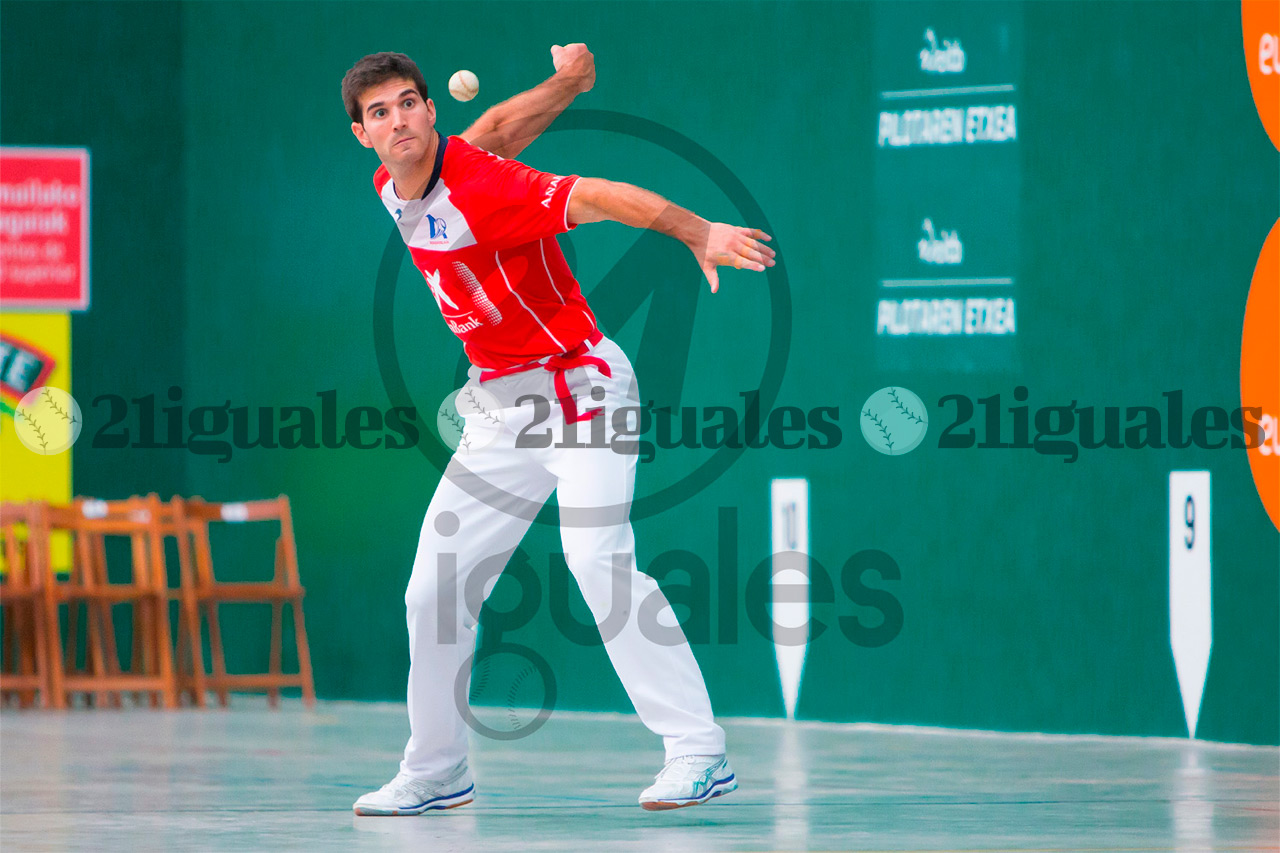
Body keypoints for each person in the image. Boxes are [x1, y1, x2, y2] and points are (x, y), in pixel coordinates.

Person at [341, 45, 774, 815]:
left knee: (596, 558)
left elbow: (602, 195)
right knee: (432, 589)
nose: (399, 119)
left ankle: (699, 750)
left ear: (430, 111)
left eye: (410, 102)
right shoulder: (394, 183)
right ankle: (438, 768)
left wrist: (695, 231)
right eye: (381, 112)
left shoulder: (488, 189)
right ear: (363, 134)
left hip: (582, 392)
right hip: (501, 410)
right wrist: (569, 83)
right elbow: (502, 124)